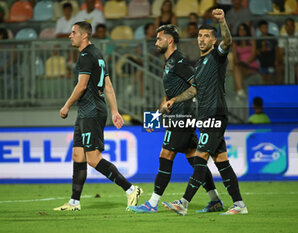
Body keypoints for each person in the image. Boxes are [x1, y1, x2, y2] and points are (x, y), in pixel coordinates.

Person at [128, 24, 223, 214]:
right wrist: (155, 117)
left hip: (182, 116)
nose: (156, 42)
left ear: (170, 40)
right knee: (194, 159)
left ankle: (152, 203)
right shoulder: (170, 62)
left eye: (159, 39)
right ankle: (214, 200)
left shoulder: (179, 62)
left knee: (166, 155)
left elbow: (197, 85)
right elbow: (170, 94)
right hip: (180, 115)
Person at [162, 9, 247, 216]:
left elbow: (228, 41)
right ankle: (239, 205)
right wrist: (174, 99)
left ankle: (183, 202)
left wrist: (223, 21)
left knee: (200, 159)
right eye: (200, 36)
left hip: (214, 116)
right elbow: (194, 90)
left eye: (206, 36)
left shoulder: (217, 56)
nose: (202, 39)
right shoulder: (199, 64)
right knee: (222, 163)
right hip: (206, 117)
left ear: (213, 39)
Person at [54, 21, 142, 211]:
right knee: (78, 155)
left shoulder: (86, 56)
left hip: (91, 111)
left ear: (84, 35)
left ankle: (131, 189)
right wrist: (115, 111)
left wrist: (66, 106)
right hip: (89, 110)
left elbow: (82, 85)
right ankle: (74, 203)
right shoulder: (97, 54)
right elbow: (108, 85)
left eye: (73, 32)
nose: (70, 36)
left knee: (93, 158)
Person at [232, 23, 259, 99]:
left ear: (246, 31)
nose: (241, 31)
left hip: (251, 64)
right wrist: (239, 62)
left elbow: (253, 55)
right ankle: (240, 92)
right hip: (241, 65)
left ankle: (238, 93)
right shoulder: (235, 43)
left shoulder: (252, 41)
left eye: (243, 29)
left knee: (236, 72)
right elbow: (235, 58)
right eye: (240, 29)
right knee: (236, 68)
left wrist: (245, 63)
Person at [256, 20, 278, 85]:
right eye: (263, 28)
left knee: (271, 78)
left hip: (271, 61)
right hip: (263, 62)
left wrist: (276, 60)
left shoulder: (272, 37)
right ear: (260, 29)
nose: (265, 29)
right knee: (264, 78)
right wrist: (261, 50)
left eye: (266, 27)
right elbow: (256, 51)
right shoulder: (258, 39)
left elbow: (276, 49)